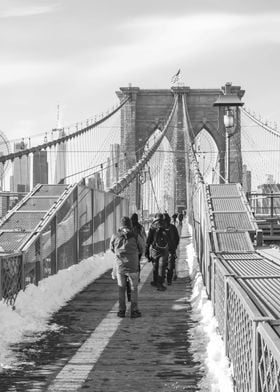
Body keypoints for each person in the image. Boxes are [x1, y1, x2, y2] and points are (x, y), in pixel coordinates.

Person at [110, 216, 143, 318]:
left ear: (121, 224)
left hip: (120, 266)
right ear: (130, 225)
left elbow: (111, 248)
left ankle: (121, 311)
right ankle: (134, 311)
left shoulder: (115, 235)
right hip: (133, 265)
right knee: (134, 288)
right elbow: (142, 247)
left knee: (121, 289)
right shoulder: (135, 235)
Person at [145, 212, 170, 291]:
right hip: (164, 249)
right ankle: (160, 284)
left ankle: (155, 281)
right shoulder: (166, 225)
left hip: (155, 249)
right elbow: (170, 238)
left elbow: (149, 240)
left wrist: (147, 251)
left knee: (155, 265)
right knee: (162, 267)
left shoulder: (153, 226)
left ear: (155, 218)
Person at [163, 213, 180, 285]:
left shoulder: (160, 228)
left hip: (162, 250)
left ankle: (162, 278)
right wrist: (174, 247)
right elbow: (177, 238)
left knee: (162, 264)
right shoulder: (173, 227)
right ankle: (169, 280)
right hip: (171, 249)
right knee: (170, 264)